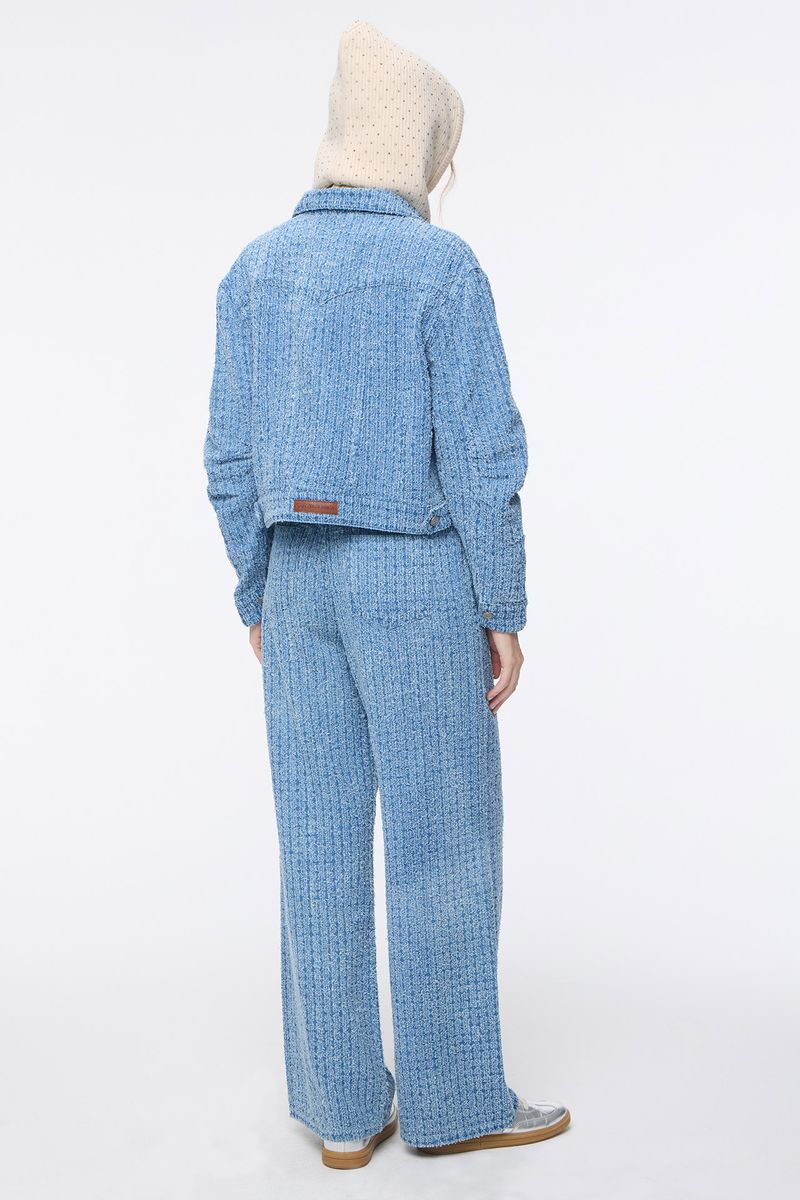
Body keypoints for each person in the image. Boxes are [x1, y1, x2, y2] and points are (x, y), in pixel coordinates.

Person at [204, 19, 570, 1170]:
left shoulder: (253, 268)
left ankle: (341, 1113)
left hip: (296, 582)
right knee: (440, 844)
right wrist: (501, 608)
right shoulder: (437, 268)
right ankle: (454, 1104)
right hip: (415, 579)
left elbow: (227, 458)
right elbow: (481, 454)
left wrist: (257, 587)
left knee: (314, 842)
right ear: (416, 147)